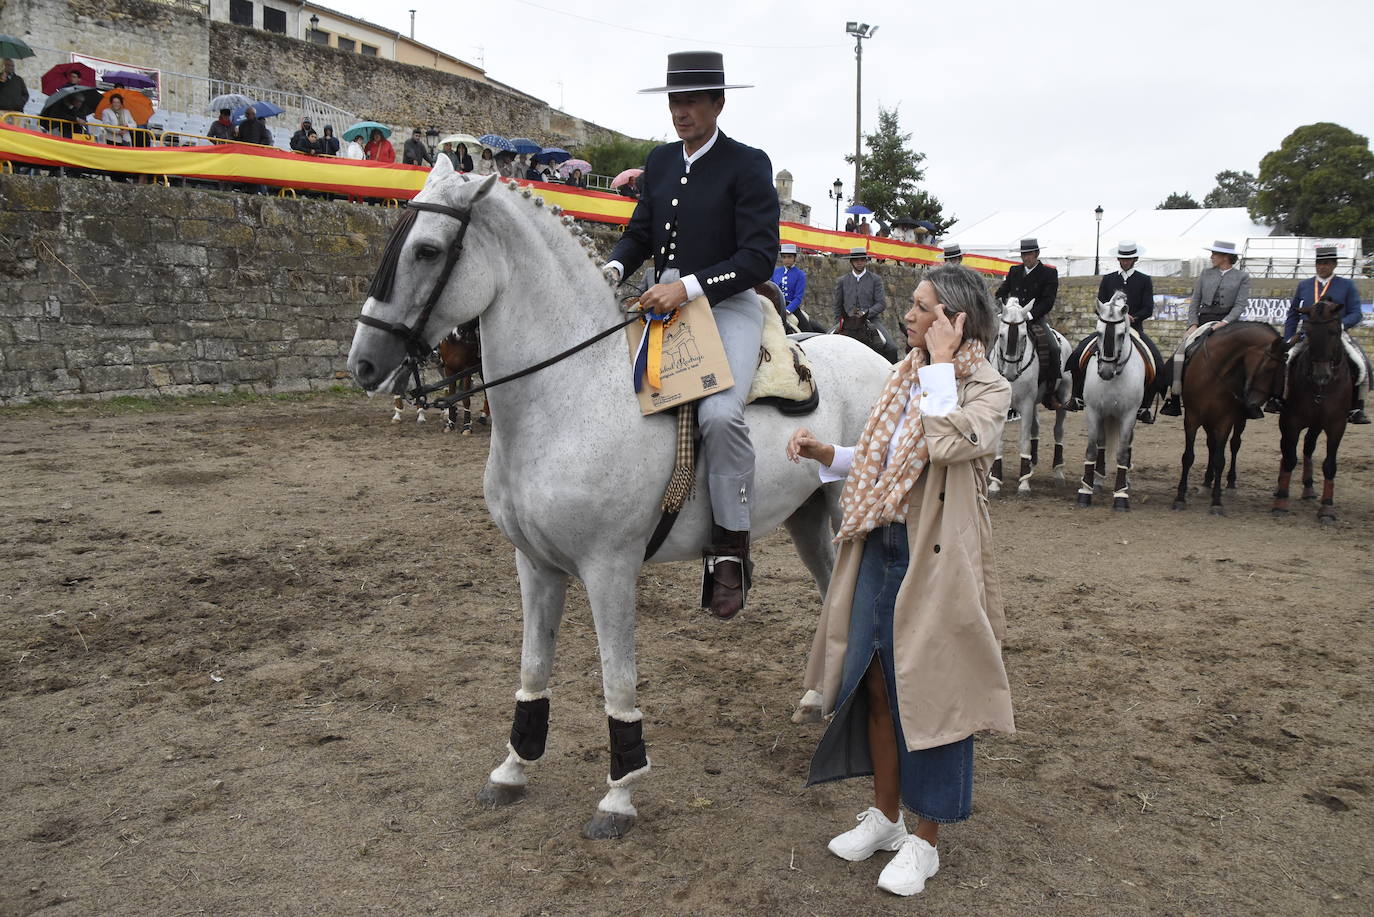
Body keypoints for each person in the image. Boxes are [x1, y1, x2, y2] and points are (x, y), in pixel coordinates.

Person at [788, 264, 1013, 898]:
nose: (907, 316)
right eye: (912, 306)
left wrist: (941, 366)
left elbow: (943, 447)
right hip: (881, 546)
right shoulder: (902, 378)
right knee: (875, 686)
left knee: (932, 697)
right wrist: (826, 454)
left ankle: (925, 841)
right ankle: (886, 817)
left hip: (935, 560)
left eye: (921, 308)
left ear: (954, 319)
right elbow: (885, 458)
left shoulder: (987, 389)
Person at [602, 50, 779, 620]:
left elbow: (758, 258)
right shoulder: (656, 162)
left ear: (717, 104)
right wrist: (611, 269)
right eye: (675, 102)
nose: (680, 112)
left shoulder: (748, 164)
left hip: (726, 305)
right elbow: (640, 234)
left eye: (691, 102)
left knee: (721, 414)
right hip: (659, 306)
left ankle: (730, 545)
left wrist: (691, 287)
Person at [1065, 241, 1164, 421]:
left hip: (1133, 328)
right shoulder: (1109, 279)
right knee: (1079, 353)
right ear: (1118, 258)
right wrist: (1104, 314)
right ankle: (1077, 396)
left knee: (1156, 360)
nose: (1125, 261)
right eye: (1122, 258)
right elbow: (1100, 303)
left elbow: (1148, 308)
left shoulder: (1144, 280)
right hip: (1108, 327)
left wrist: (1134, 317)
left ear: (1135, 259)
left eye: (1128, 259)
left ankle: (1145, 407)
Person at [1272, 245, 1370, 423]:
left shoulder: (1346, 285)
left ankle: (1357, 407)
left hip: (1334, 334)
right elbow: (1293, 313)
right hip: (1307, 334)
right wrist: (1288, 337)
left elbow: (1357, 313)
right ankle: (1278, 398)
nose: (1322, 267)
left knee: (1361, 363)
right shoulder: (1305, 286)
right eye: (1319, 263)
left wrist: (1340, 325)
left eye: (1326, 263)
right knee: (1284, 360)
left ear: (1334, 265)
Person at [1160, 241, 1253, 417]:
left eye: (1215, 254)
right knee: (1181, 352)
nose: (1211, 257)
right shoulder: (1205, 273)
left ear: (1225, 257)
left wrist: (1224, 322)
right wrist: (1192, 324)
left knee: (1248, 356)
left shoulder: (1242, 277)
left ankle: (1247, 399)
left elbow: (1240, 305)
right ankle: (1174, 396)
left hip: (1228, 323)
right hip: (1204, 320)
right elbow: (1195, 301)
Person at [995, 238, 1062, 409]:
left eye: (1029, 254)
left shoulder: (1049, 273)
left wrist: (1030, 315)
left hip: (1034, 319)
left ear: (1037, 254)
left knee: (1054, 348)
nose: (1026, 258)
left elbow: (1048, 301)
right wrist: (1006, 305)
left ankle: (1050, 392)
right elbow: (1001, 291)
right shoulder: (1014, 270)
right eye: (1023, 254)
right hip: (1012, 320)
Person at [833, 247, 887, 346]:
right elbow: (838, 305)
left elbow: (881, 303)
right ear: (851, 262)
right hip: (847, 320)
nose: (859, 262)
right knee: (826, 340)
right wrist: (839, 322)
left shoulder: (875, 279)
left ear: (866, 260)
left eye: (862, 259)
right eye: (856, 260)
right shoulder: (842, 281)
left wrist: (865, 313)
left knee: (891, 347)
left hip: (871, 320)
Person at [772, 243, 807, 320]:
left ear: (795, 258)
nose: (787, 260)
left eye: (789, 257)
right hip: (775, 306)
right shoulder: (775, 272)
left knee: (806, 327)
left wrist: (787, 310)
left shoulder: (800, 275)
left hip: (791, 308)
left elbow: (798, 297)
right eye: (784, 257)